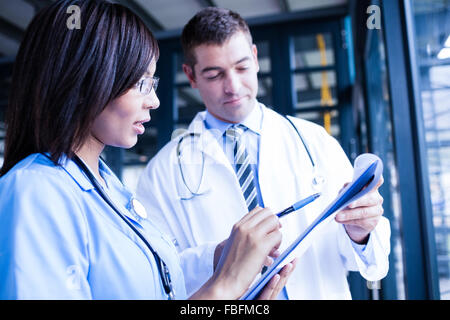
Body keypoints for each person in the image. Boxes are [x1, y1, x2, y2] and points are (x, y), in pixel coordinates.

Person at [0, 0, 296, 300]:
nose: (153, 100)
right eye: (141, 83)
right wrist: (225, 285)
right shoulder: (35, 191)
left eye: (151, 82)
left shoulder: (107, 187)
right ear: (83, 81)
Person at [136, 7, 391, 299]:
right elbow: (158, 273)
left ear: (256, 59)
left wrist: (361, 232)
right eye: (214, 74)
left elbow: (372, 263)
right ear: (191, 76)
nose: (233, 86)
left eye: (242, 67)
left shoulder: (314, 141)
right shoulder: (162, 172)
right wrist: (218, 258)